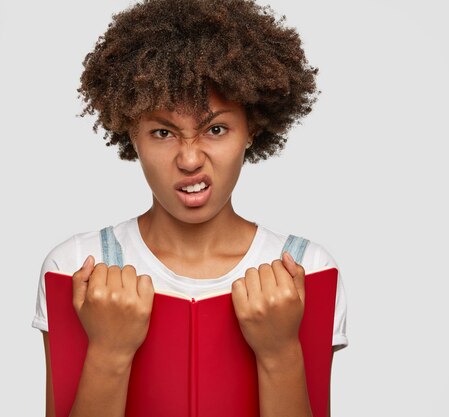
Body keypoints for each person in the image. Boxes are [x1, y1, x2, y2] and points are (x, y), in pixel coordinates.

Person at [31, 0, 348, 416]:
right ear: (132, 132)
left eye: (215, 129)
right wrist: (109, 351)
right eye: (163, 132)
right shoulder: (77, 267)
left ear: (250, 130)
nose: (190, 159)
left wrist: (280, 351)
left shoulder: (304, 270)